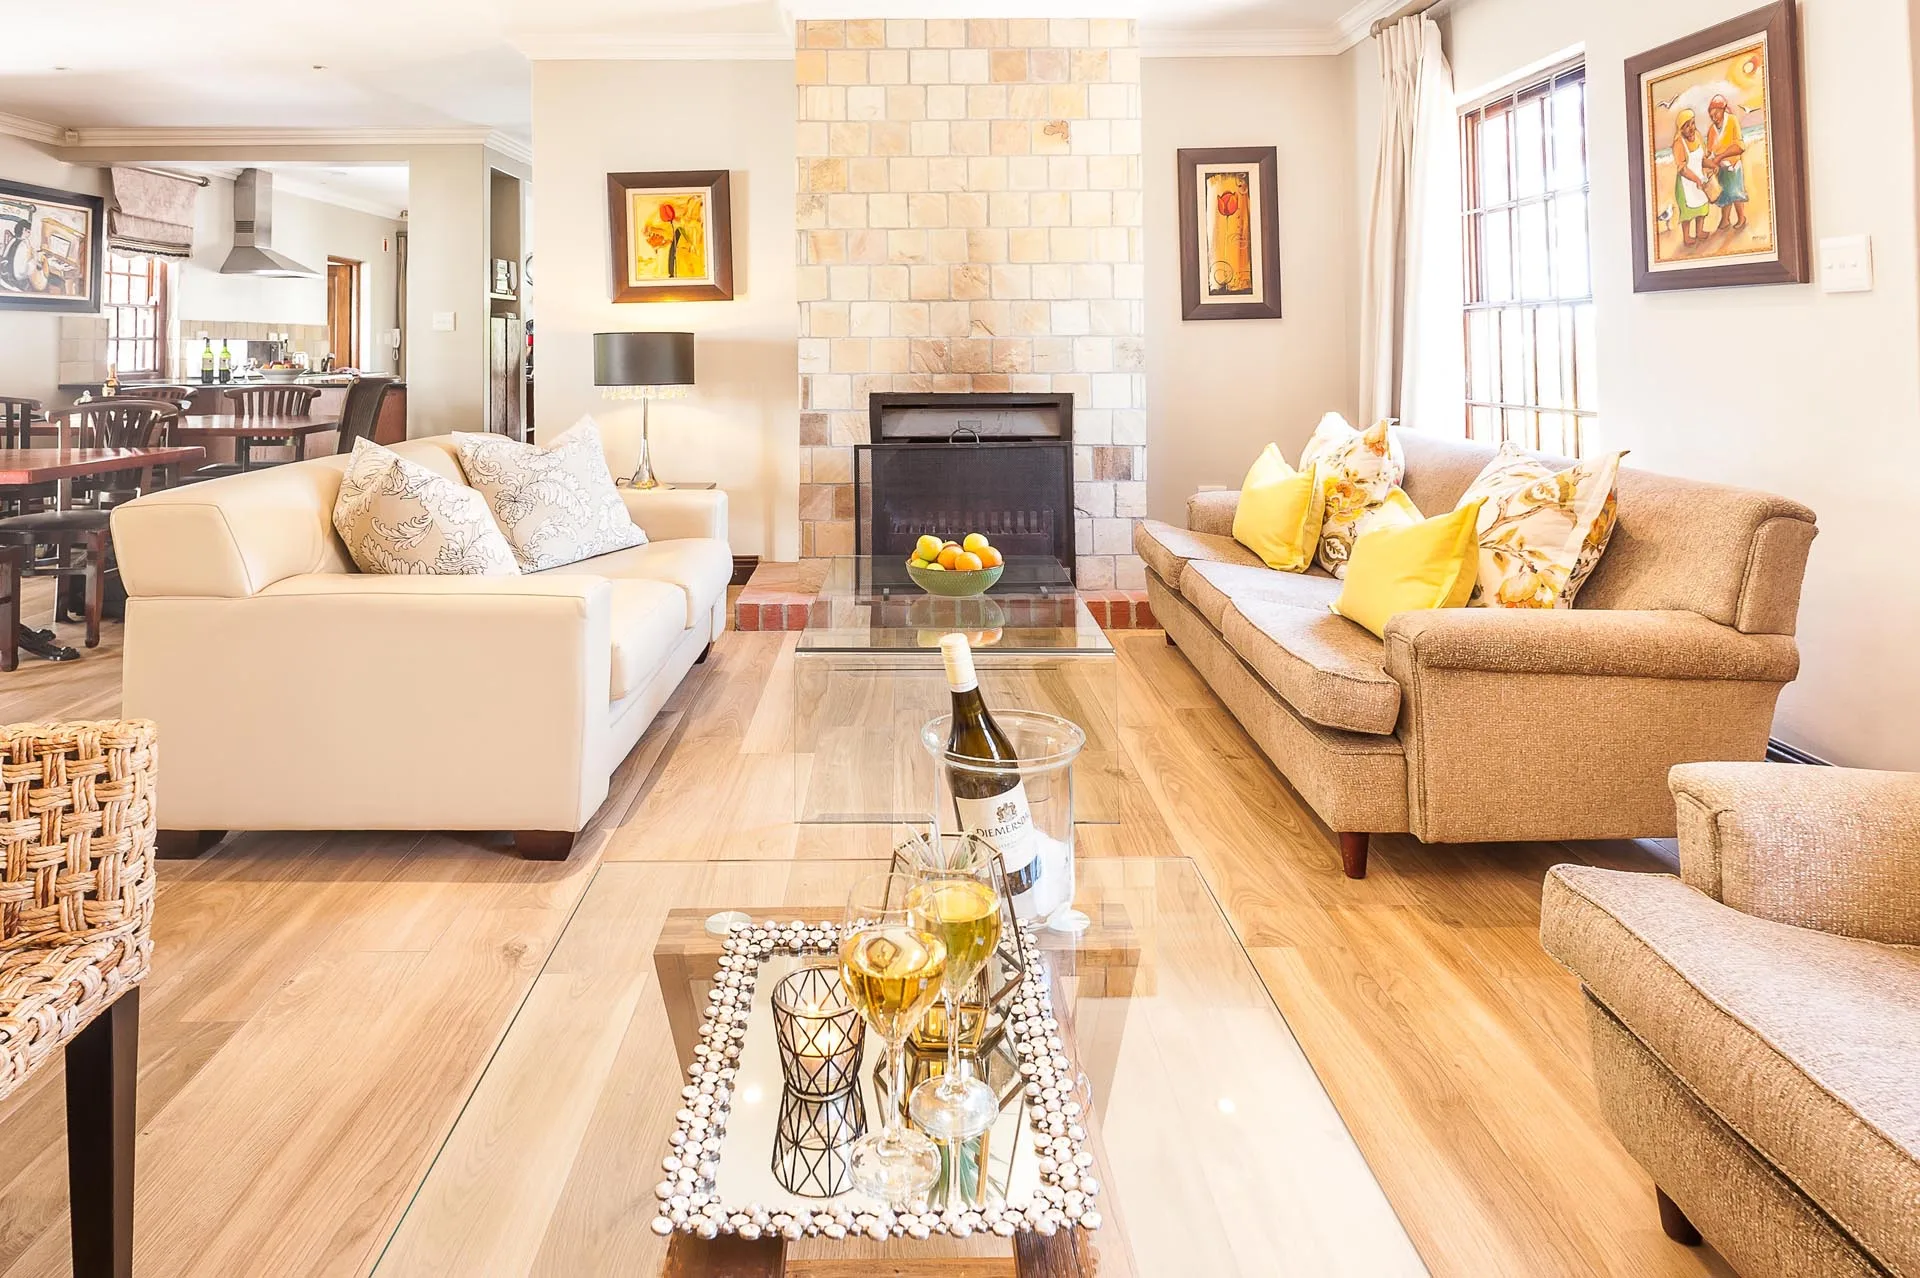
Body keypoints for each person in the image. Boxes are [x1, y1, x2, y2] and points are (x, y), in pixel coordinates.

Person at [1705, 93, 1749, 232]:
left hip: (1733, 165)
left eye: (1716, 114)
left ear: (1723, 110)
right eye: (1711, 116)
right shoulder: (1712, 130)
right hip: (1721, 168)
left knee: (1735, 192)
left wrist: (1720, 157)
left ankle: (1741, 218)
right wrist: (1706, 160)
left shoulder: (1732, 120)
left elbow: (1740, 146)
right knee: (1724, 193)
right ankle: (1725, 219)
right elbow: (1709, 150)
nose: (1714, 118)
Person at [1670, 108, 1712, 247]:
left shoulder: (1698, 136)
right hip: (1686, 183)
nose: (1691, 128)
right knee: (1687, 211)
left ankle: (1699, 231)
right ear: (1681, 129)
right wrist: (1696, 180)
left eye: (1692, 123)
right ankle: (1687, 236)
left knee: (1702, 206)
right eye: (1686, 125)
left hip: (1699, 178)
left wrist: (1712, 165)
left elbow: (1702, 159)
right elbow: (1682, 169)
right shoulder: (1679, 143)